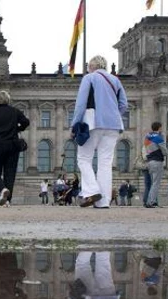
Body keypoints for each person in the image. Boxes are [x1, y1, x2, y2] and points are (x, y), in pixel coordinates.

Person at [71, 55, 128, 208]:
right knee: (105, 163)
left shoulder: (89, 78)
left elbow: (80, 103)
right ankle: (103, 202)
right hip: (114, 125)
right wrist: (113, 115)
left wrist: (75, 124)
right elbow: (123, 105)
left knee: (84, 158)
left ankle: (91, 191)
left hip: (93, 122)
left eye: (89, 66)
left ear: (92, 66)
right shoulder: (115, 80)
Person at [0, 90, 30, 207]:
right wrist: (18, 128)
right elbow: (26, 122)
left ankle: (2, 190)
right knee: (10, 174)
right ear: (8, 100)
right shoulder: (14, 111)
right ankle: (7, 201)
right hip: (13, 146)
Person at [143, 122, 168, 208]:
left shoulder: (147, 137)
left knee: (153, 183)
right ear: (159, 128)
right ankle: (150, 202)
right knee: (156, 183)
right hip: (157, 161)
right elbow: (164, 150)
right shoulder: (158, 138)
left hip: (150, 161)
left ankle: (151, 201)